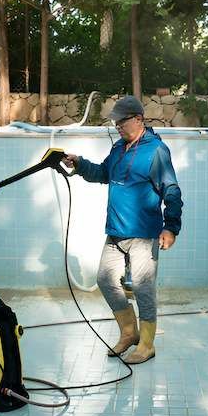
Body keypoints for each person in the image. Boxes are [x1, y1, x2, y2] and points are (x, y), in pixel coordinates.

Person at [61, 96, 183, 365]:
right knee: (105, 281)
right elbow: (103, 173)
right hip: (115, 231)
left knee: (142, 287)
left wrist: (171, 227)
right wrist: (79, 163)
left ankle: (147, 344)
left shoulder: (156, 151)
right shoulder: (118, 148)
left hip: (143, 234)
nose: (117, 126)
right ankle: (130, 332)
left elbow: (171, 190)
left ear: (138, 119)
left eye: (122, 121)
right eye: (115, 122)